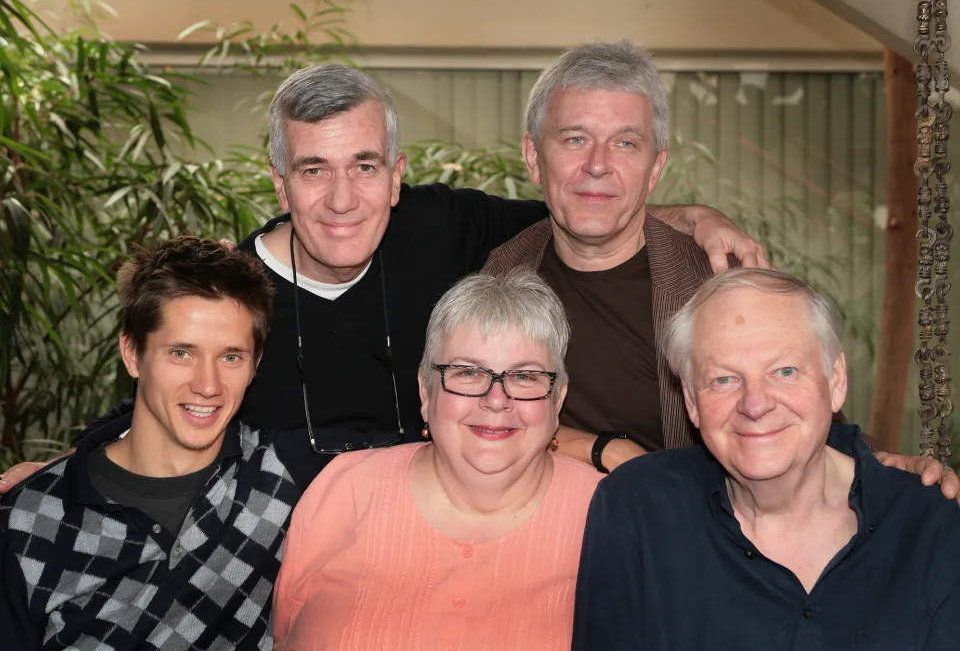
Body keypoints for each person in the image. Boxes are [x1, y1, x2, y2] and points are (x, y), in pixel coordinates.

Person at [0, 63, 766, 495]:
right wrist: (60, 473)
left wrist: (695, 217)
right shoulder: (230, 296)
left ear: (397, 174)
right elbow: (158, 407)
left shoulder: (444, 227)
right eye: (313, 169)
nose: (341, 200)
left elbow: (587, 203)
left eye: (364, 166)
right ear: (278, 182)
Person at [481, 40, 958, 496]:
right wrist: (600, 448)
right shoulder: (502, 274)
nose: (598, 164)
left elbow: (792, 408)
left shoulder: (714, 277)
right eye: (575, 138)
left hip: (705, 545)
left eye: (626, 143)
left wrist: (880, 465)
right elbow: (474, 415)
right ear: (533, 158)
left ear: (656, 167)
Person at [571, 269, 960, 651]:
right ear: (691, 400)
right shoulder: (638, 509)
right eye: (724, 379)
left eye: (785, 371)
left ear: (836, 380)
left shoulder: (927, 523)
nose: (755, 404)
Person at [273, 271, 603, 651]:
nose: (496, 400)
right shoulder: (345, 489)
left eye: (525, 376)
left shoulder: (610, 514)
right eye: (468, 372)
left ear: (556, 400)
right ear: (425, 391)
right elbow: (283, 633)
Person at [0, 237, 300, 650]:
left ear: (256, 365)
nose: (207, 385)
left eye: (231, 357)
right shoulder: (24, 522)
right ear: (132, 354)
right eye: (181, 353)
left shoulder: (283, 474)